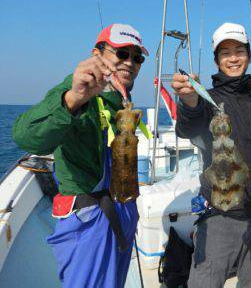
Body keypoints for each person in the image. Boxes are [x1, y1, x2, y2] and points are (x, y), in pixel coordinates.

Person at [12, 23, 149, 288]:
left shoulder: (121, 98)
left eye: (137, 57)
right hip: (89, 220)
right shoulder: (77, 90)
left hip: (123, 210)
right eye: (121, 53)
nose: (130, 62)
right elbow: (25, 136)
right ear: (96, 55)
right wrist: (73, 98)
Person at [171, 22, 251, 287]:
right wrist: (189, 102)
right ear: (217, 60)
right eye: (225, 53)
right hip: (220, 216)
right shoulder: (206, 100)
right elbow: (187, 128)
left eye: (239, 51)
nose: (233, 58)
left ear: (248, 55)